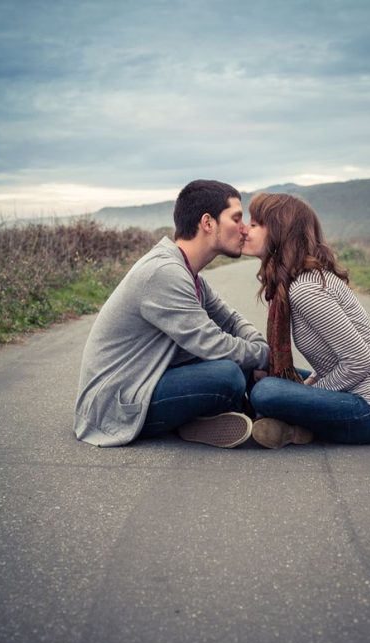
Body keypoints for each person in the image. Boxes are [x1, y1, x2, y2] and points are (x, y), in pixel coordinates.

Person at [74, 180, 269, 448]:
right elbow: (214, 344)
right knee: (229, 374)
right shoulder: (165, 273)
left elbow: (231, 320)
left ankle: (281, 402)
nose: (244, 228)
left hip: (150, 381)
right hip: (116, 405)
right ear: (208, 223)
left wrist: (262, 350)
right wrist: (262, 355)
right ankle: (252, 412)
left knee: (257, 366)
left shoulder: (189, 273)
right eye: (236, 218)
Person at [242, 192, 370, 449]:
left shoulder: (306, 289)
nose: (245, 229)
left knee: (266, 392)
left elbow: (359, 362)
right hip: (354, 395)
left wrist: (307, 394)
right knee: (262, 374)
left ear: (278, 231)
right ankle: (294, 427)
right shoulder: (294, 284)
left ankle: (291, 424)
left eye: (254, 224)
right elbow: (329, 362)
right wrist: (306, 388)